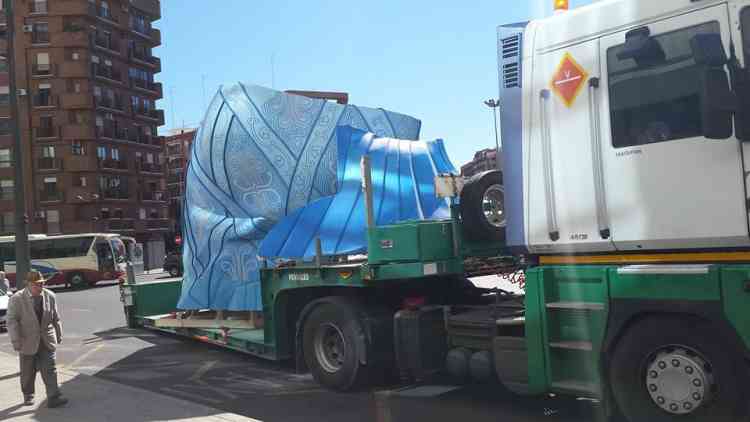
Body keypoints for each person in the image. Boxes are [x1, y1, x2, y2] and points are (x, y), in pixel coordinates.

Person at [7, 270, 68, 408]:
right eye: (36, 284)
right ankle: (28, 394)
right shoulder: (17, 298)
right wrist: (16, 340)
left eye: (41, 284)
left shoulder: (50, 296)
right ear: (28, 284)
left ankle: (53, 397)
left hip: (46, 339)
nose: (39, 287)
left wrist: (59, 334)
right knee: (28, 372)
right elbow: (12, 321)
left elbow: (55, 317)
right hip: (26, 340)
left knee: (50, 369)